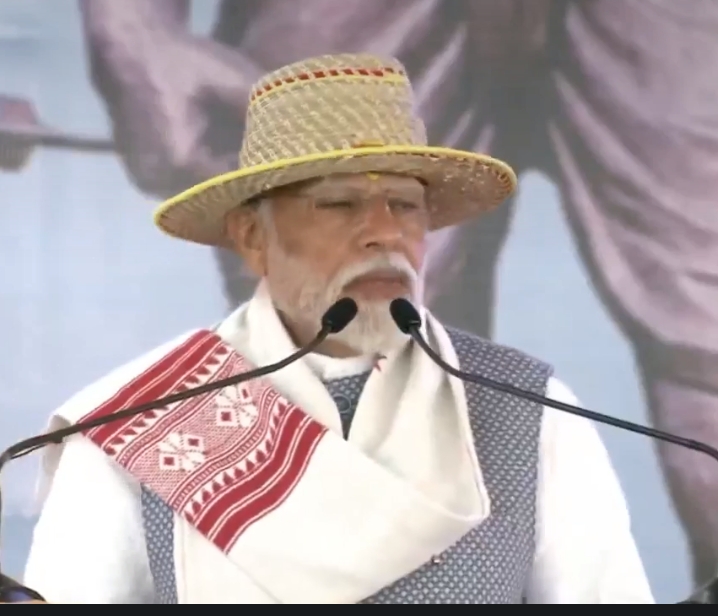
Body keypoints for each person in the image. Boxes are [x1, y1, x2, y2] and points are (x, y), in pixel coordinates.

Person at [19, 53, 653, 604]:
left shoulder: (528, 409)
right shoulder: (144, 418)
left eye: (405, 205)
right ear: (252, 236)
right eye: (339, 203)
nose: (385, 232)